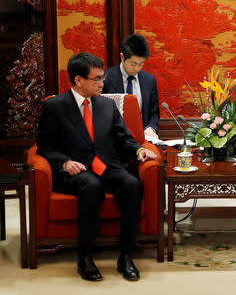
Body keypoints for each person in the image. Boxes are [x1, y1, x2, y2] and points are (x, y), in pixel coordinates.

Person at [37, 52, 157, 281]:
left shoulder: (107, 106)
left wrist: (138, 150)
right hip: (76, 170)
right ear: (78, 80)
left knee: (132, 184)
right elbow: (43, 146)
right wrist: (63, 162)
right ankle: (85, 256)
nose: (103, 83)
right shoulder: (55, 106)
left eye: (102, 78)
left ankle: (126, 256)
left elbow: (124, 138)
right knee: (91, 187)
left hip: (107, 165)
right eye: (97, 79)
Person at [102, 34, 160, 138]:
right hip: (114, 139)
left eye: (141, 64)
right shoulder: (106, 79)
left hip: (143, 138)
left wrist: (151, 128)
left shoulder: (149, 80)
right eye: (133, 64)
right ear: (122, 57)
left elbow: (154, 113)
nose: (137, 68)